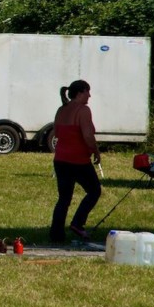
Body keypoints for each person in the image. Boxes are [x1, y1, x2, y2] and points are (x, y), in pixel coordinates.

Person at [50, 80, 102, 242]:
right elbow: (87, 135)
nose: (90, 95)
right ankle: (78, 223)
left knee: (64, 199)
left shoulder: (61, 110)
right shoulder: (83, 110)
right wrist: (96, 151)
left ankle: (56, 234)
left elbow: (56, 133)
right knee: (94, 191)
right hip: (78, 160)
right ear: (80, 93)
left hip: (60, 159)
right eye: (88, 91)